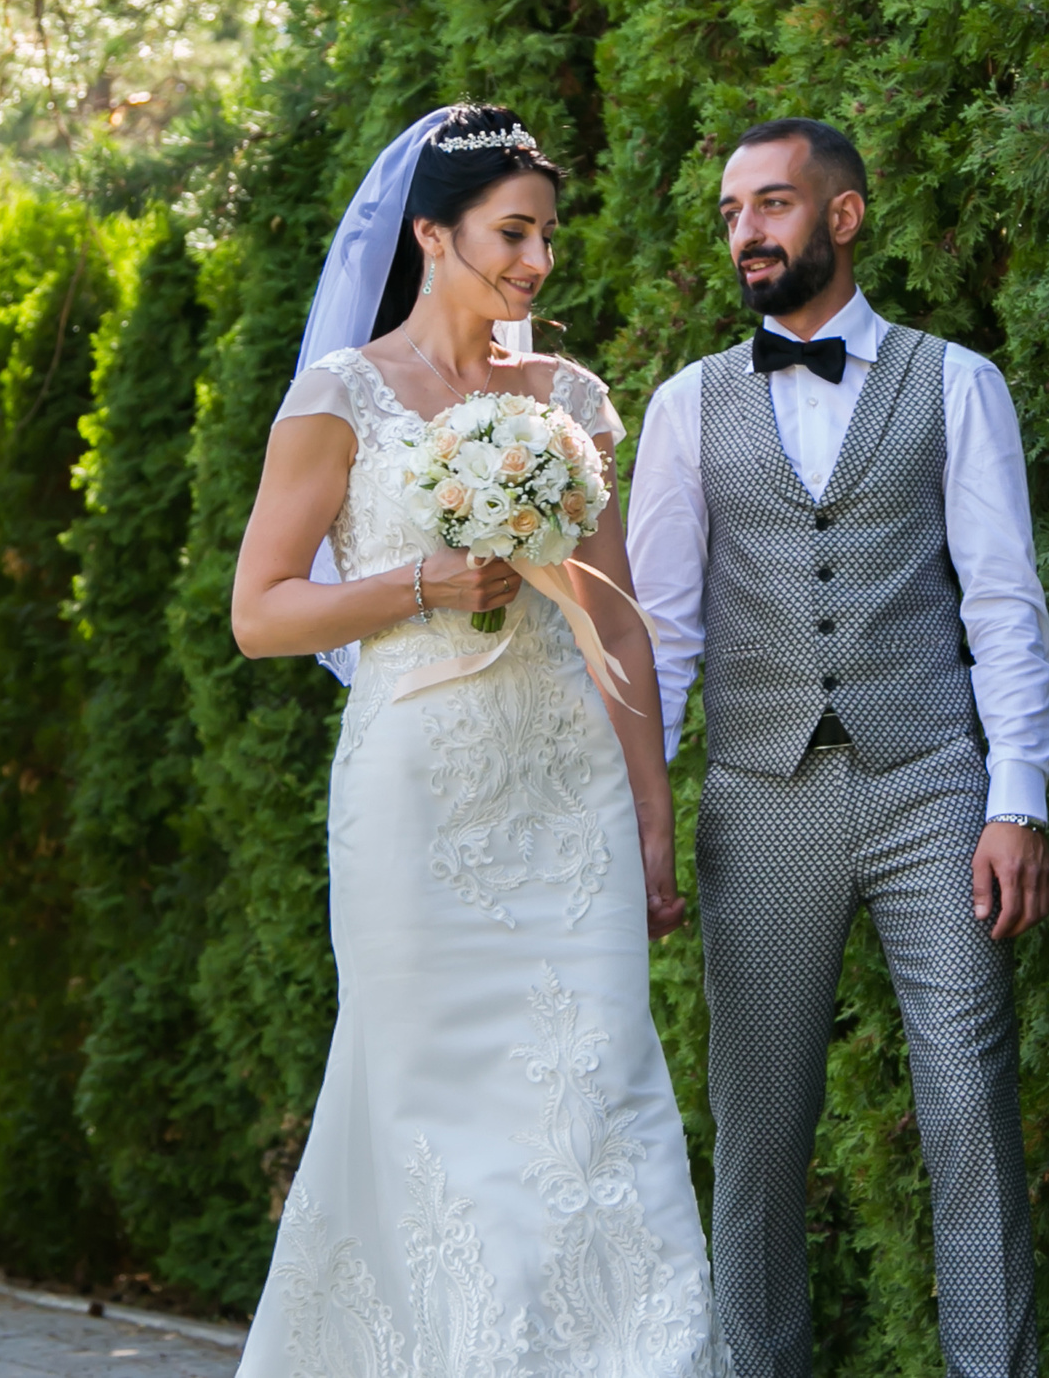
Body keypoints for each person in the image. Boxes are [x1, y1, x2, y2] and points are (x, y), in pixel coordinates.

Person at [229, 103, 726, 1377]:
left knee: (595, 1101)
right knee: (421, 1113)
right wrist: (420, 587)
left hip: (565, 797)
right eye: (513, 234)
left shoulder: (568, 403)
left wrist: (652, 812)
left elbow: (616, 623)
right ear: (431, 235)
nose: (536, 264)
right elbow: (260, 612)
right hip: (415, 801)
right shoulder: (339, 397)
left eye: (547, 238)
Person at [625, 118, 1049, 1378]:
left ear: (845, 216)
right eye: (729, 213)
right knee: (758, 1134)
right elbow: (662, 642)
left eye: (770, 205)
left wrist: (1015, 799)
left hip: (934, 793)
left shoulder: (956, 381)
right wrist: (647, 827)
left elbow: (1002, 605)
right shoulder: (684, 406)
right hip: (759, 799)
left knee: (971, 1117)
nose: (746, 234)